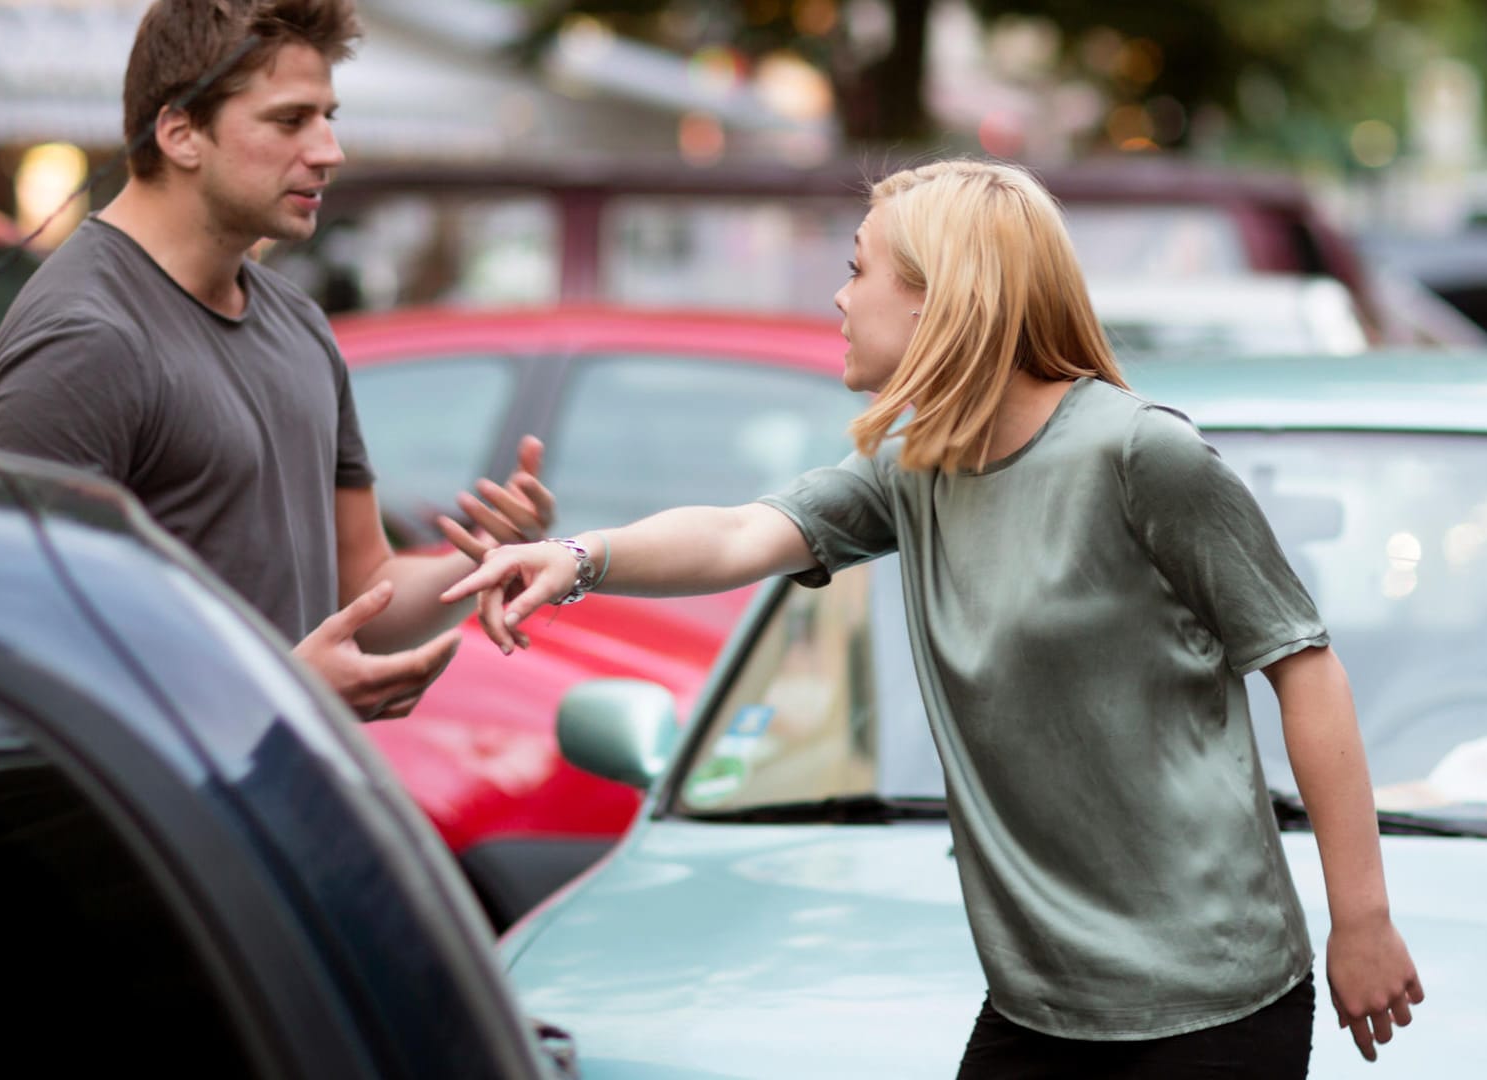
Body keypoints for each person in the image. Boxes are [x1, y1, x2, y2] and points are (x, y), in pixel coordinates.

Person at [443, 159, 1423, 1076]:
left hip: (1211, 1011)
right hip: (1038, 1009)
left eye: (858, 269)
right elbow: (742, 534)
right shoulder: (918, 468)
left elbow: (1305, 666)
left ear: (942, 296)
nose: (838, 296)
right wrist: (579, 559)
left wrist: (1363, 918)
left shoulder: (1138, 458)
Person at [0, 0, 548, 720]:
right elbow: (14, 655)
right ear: (181, 132)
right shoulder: (84, 337)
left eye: (328, 117)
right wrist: (277, 691)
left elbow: (363, 586)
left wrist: (479, 564)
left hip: (281, 806)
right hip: (159, 827)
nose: (329, 150)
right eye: (290, 120)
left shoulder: (299, 322)